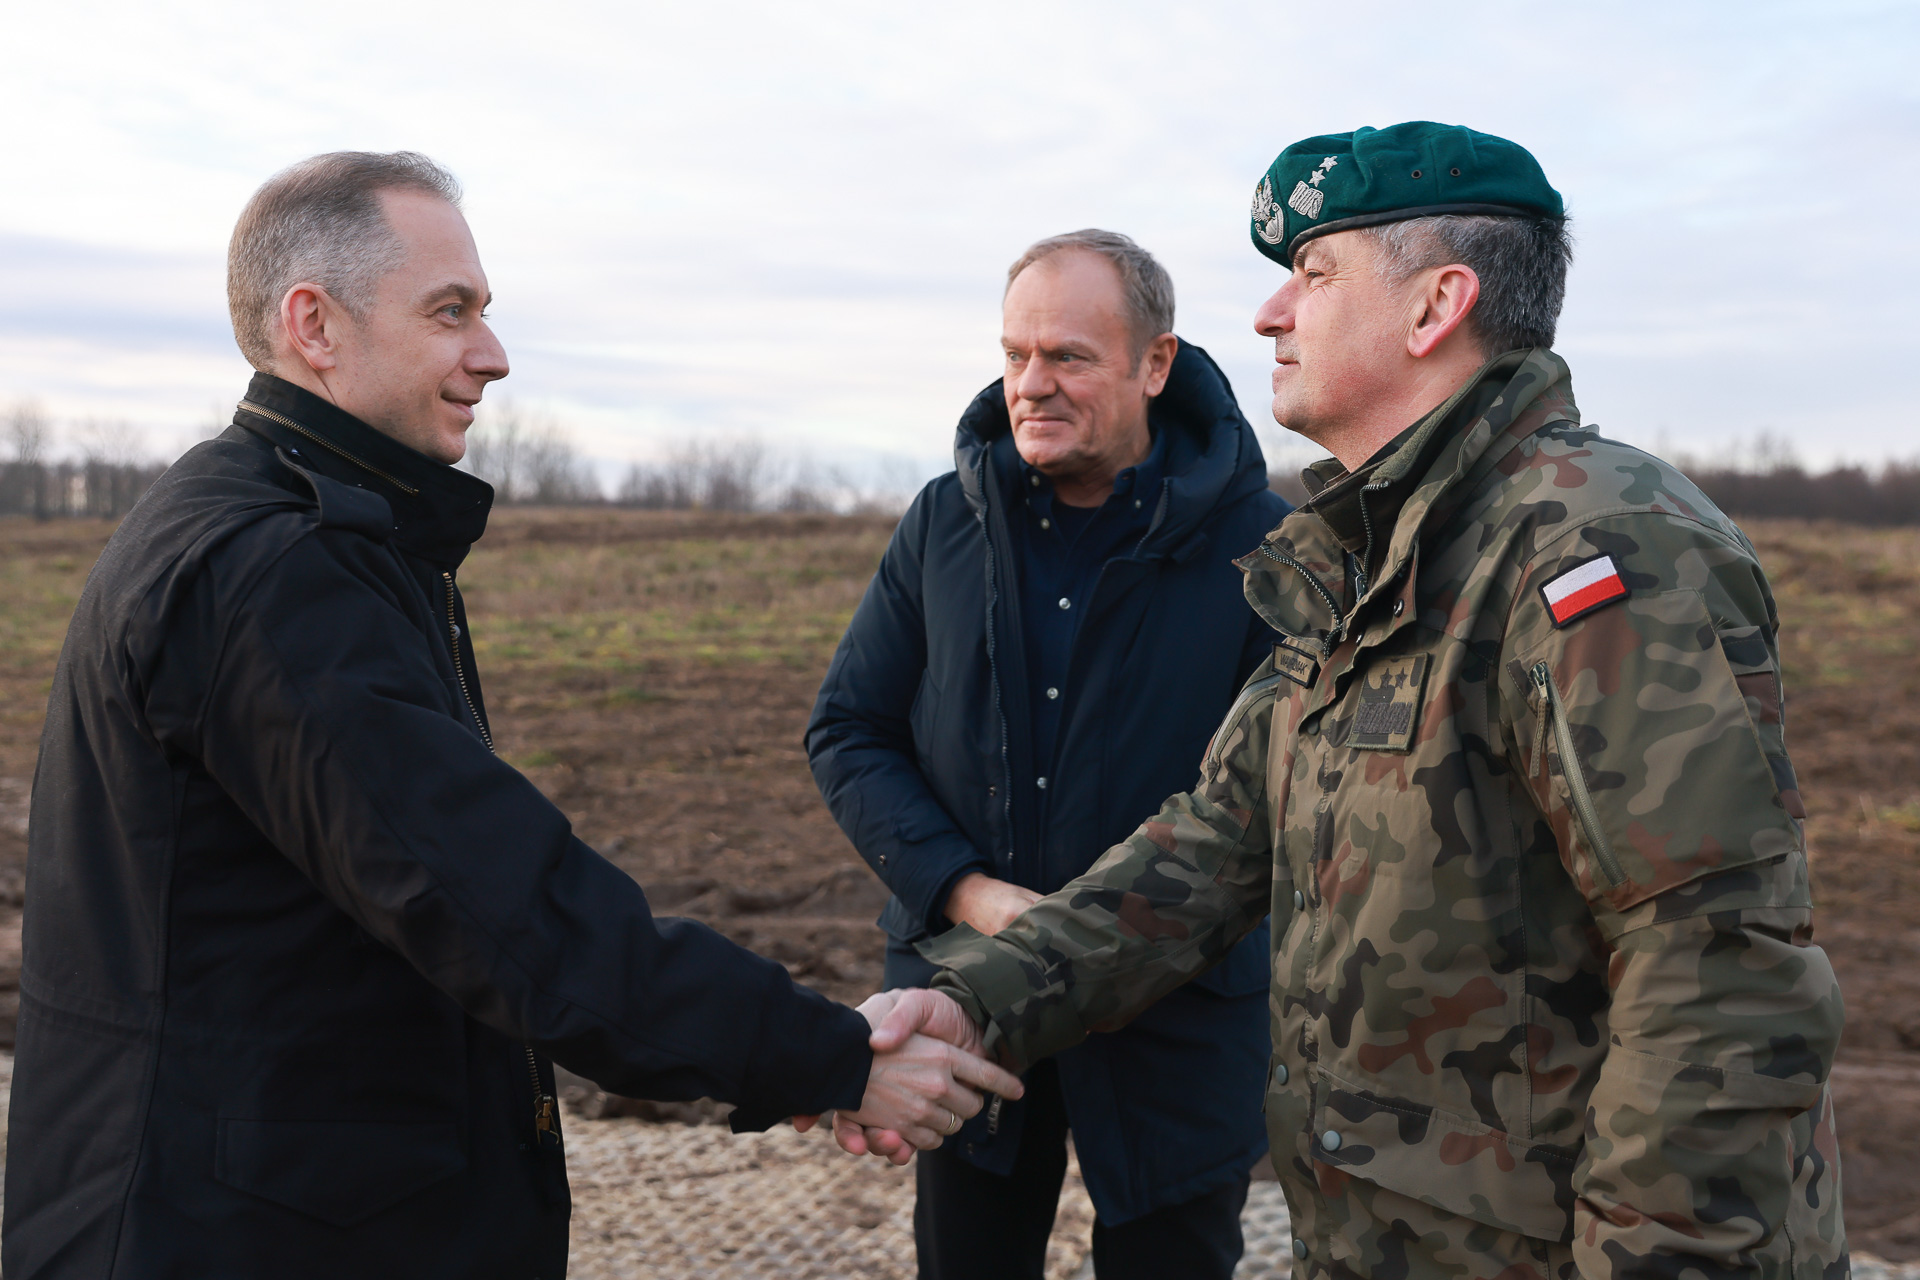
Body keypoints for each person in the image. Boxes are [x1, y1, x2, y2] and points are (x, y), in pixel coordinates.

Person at [854, 122, 1849, 1280]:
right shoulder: (1368, 564)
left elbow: (1716, 966)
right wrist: (975, 1000)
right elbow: (1208, 850)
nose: (1270, 315)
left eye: (1313, 274)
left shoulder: (1594, 551)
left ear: (1436, 306)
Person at [2, 151, 1017, 1280]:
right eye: (451, 312)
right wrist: (827, 1055)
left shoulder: (320, 532)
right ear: (314, 325)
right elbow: (502, 909)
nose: (491, 353)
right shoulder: (271, 571)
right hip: (229, 1232)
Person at [807, 230, 1288, 1280]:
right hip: (963, 991)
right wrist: (967, 892)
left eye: (1068, 355)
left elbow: (1268, 806)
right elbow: (848, 729)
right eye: (1015, 353)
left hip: (1176, 1010)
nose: (1031, 384)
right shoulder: (942, 524)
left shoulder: (1262, 546)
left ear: (1154, 364)